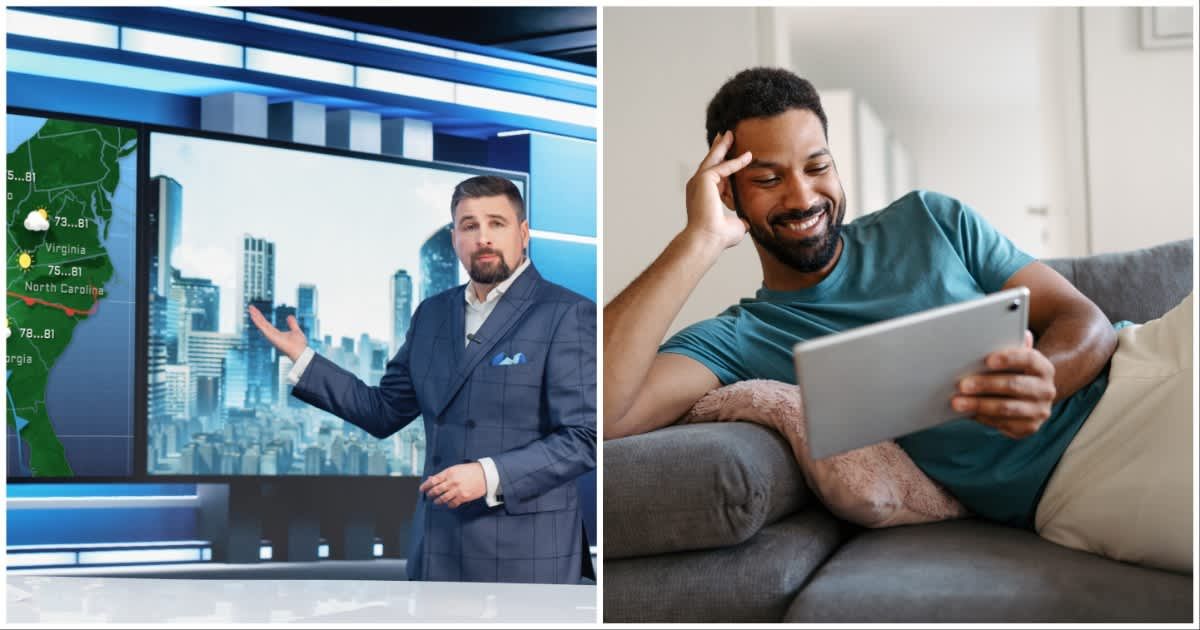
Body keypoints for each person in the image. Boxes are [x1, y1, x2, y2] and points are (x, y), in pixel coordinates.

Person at [604, 67, 1192, 573]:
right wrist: (698, 240)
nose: (803, 196)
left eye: (817, 165)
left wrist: (1047, 377)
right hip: (1081, 479)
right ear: (728, 193)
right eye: (767, 179)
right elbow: (603, 410)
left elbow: (1081, 318)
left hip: (1151, 363)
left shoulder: (929, 219)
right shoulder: (740, 339)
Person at [251, 175, 596, 583]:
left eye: (496, 224)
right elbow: (382, 411)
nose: (483, 237)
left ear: (523, 234)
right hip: (439, 548)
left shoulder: (565, 313)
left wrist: (488, 475)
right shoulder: (432, 314)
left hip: (528, 551)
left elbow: (584, 437)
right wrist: (304, 359)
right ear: (455, 239)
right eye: (470, 226)